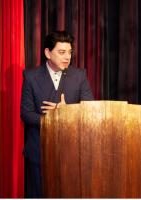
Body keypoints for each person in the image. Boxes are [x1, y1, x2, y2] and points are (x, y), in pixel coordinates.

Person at [20, 31, 94, 198]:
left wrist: (66, 111)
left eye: (69, 52)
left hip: (72, 152)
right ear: (47, 53)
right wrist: (52, 119)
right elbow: (26, 113)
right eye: (61, 52)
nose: (67, 57)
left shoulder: (79, 76)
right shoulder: (31, 77)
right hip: (39, 151)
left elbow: (89, 109)